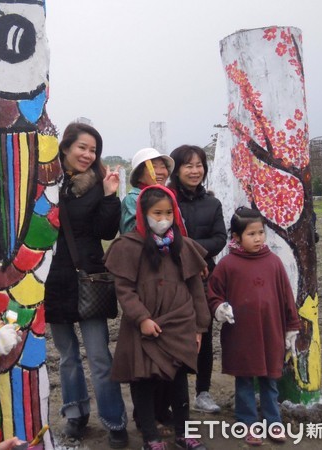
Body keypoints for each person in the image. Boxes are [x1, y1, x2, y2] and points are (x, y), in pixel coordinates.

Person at [105, 185, 210, 450]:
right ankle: (150, 437)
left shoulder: (183, 246)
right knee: (144, 380)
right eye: (156, 213)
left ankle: (184, 433)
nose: (163, 219)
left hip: (179, 322)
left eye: (168, 212)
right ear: (142, 213)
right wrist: (141, 318)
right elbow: (124, 290)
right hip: (144, 326)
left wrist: (199, 327)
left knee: (178, 380)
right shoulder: (128, 246)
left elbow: (196, 289)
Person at [43, 122, 128, 448]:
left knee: (99, 356)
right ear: (65, 148)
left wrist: (109, 196)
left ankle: (114, 420)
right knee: (66, 355)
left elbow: (107, 232)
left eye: (93, 150)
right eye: (82, 147)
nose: (88, 154)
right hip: (53, 279)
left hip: (88, 276)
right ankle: (75, 413)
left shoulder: (98, 184)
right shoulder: (46, 183)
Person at [207, 207, 301, 446]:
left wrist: (291, 327)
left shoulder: (274, 262)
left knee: (271, 379)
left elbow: (286, 297)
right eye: (251, 234)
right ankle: (248, 423)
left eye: (261, 232)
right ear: (236, 237)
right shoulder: (227, 265)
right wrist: (220, 308)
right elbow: (213, 294)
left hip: (271, 332)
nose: (258, 238)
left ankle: (274, 421)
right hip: (241, 334)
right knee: (245, 380)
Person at [167, 144, 227, 414]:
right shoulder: (166, 200)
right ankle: (170, 393)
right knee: (172, 333)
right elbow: (164, 239)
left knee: (204, 333)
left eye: (199, 165)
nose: (195, 171)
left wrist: (190, 249)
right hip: (172, 276)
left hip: (204, 275)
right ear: (177, 170)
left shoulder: (212, 203)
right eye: (188, 165)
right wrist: (189, 249)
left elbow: (219, 239)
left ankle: (203, 392)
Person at [120, 147, 176, 234]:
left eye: (163, 167)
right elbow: (131, 234)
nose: (160, 172)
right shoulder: (133, 199)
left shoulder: (169, 196)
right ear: (139, 174)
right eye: (153, 167)